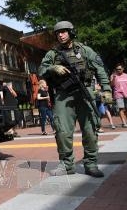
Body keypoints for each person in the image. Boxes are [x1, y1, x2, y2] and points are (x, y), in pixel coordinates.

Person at [39, 21, 112, 178]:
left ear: (71, 32)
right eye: (58, 32)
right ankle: (67, 165)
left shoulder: (85, 50)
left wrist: (106, 89)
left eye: (64, 31)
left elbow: (100, 69)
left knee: (90, 130)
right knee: (62, 131)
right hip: (63, 95)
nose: (60, 34)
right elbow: (41, 70)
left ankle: (91, 163)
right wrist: (52, 68)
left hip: (85, 93)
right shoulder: (52, 54)